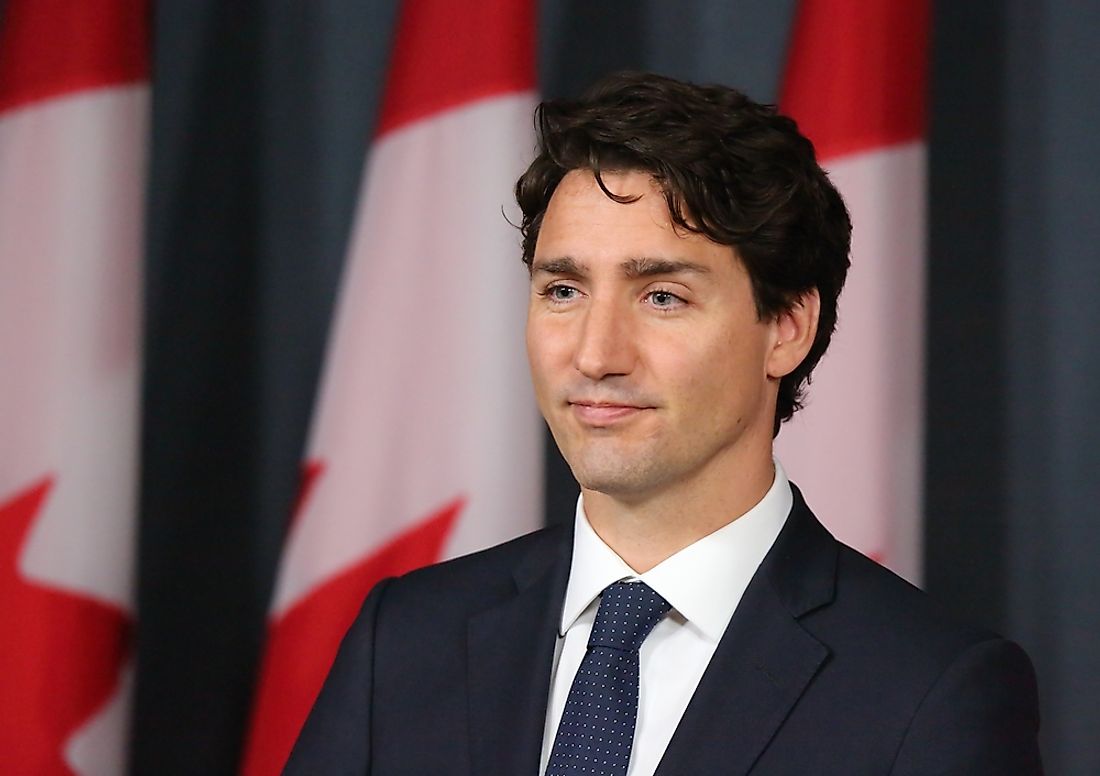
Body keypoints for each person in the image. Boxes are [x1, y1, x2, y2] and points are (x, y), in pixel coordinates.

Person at [286, 72, 1042, 775]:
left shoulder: (930, 692)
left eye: (662, 297)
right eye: (562, 290)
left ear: (785, 327)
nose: (595, 353)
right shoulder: (406, 639)